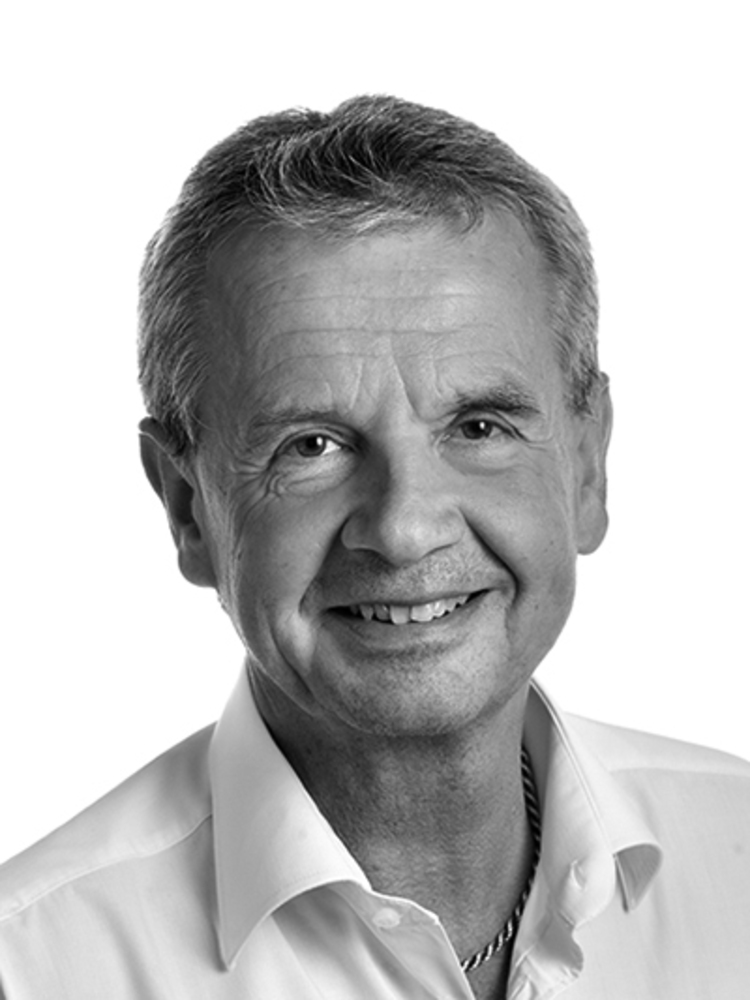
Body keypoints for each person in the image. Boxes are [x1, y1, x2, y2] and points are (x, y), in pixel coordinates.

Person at [1, 95, 748, 1000]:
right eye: (311, 446)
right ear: (188, 507)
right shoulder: (31, 966)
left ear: (587, 467)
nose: (403, 528)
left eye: (479, 427)